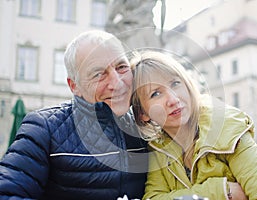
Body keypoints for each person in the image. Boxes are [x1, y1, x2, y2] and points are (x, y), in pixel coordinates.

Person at [0, 30, 148, 199]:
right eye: (99, 74)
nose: (117, 83)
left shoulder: (146, 126)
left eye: (121, 67)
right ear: (74, 86)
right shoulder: (44, 128)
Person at [130, 50, 257, 200]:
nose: (173, 99)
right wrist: (220, 190)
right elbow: (153, 197)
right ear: (143, 113)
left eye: (175, 83)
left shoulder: (228, 127)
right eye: (156, 93)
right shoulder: (158, 149)